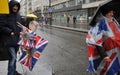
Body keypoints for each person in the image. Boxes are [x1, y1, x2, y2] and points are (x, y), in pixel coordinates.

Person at [86, 5, 120, 75]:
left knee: (116, 67)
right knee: (107, 69)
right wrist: (103, 55)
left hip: (116, 51)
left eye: (112, 12)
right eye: (110, 12)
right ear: (105, 13)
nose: (112, 14)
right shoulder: (100, 23)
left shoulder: (113, 22)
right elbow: (95, 40)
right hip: (107, 52)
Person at [0, 0, 22, 75]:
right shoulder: (5, 14)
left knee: (14, 57)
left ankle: (14, 71)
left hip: (16, 40)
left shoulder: (18, 15)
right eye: (14, 6)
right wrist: (10, 32)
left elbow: (21, 25)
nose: (15, 7)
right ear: (10, 6)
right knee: (12, 57)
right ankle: (10, 73)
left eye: (17, 6)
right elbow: (1, 26)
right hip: (9, 40)